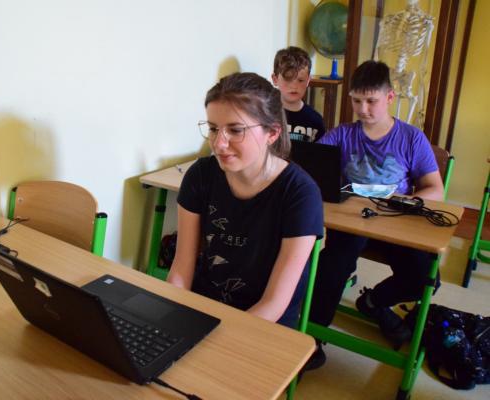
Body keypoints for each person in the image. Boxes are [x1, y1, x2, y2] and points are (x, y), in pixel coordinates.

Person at [306, 60, 444, 369]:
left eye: (371, 101)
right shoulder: (342, 134)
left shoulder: (411, 138)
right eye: (357, 101)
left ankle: (373, 301)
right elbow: (310, 166)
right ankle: (312, 339)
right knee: (330, 268)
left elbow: (436, 190)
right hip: (352, 225)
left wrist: (402, 203)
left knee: (425, 278)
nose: (363, 109)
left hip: (395, 224)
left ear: (390, 97)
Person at [167, 72, 323, 328]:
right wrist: (170, 319)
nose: (219, 143)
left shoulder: (300, 193)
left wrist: (219, 337)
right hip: (204, 310)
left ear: (272, 133)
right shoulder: (200, 175)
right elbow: (181, 270)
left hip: (264, 325)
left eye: (235, 130)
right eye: (213, 128)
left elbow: (274, 303)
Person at [272, 46, 326, 142]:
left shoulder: (316, 121)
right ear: (275, 79)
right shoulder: (265, 115)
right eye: (288, 79)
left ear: (308, 80)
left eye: (300, 80)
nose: (294, 86)